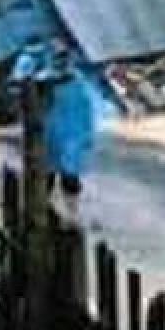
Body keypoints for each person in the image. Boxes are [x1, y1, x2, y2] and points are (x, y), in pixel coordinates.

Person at [39, 38, 96, 215]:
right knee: (46, 177)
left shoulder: (77, 83)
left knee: (69, 177)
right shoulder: (43, 82)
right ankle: (44, 213)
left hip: (71, 136)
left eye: (63, 55)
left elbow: (86, 111)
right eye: (57, 55)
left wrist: (87, 135)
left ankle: (72, 213)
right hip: (50, 136)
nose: (60, 59)